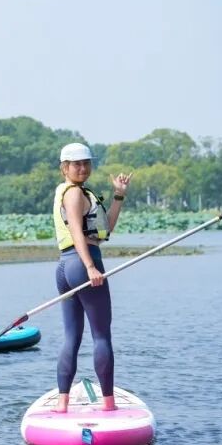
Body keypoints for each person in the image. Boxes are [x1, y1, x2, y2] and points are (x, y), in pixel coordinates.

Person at [52, 143, 132, 413]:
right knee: (101, 336)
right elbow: (76, 230)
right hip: (82, 262)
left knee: (71, 337)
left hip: (65, 267)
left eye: (86, 163)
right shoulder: (74, 193)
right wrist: (90, 266)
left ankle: (62, 404)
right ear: (64, 168)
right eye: (76, 164)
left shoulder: (73, 192)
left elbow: (105, 229)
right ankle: (109, 405)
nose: (83, 168)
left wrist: (118, 195)